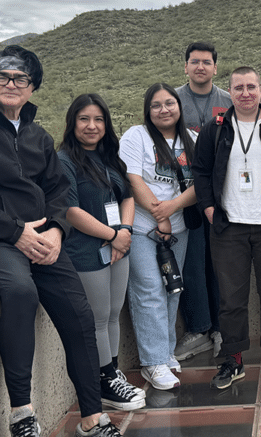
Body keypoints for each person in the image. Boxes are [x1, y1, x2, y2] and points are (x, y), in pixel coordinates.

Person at [0, 45, 138, 437]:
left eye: (19, 78)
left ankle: (92, 425)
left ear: (32, 87)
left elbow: (58, 192)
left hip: (46, 240)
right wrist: (15, 232)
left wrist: (57, 231)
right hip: (6, 241)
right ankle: (23, 416)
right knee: (19, 294)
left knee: (81, 317)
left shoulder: (38, 136)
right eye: (2, 76)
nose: (9, 84)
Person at [192, 66, 261, 389]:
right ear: (230, 92)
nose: (245, 93)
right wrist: (210, 210)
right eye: (238, 87)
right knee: (231, 299)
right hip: (229, 227)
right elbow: (200, 172)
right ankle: (234, 360)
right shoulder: (215, 129)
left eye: (251, 87)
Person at [59, 93, 145, 411]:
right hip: (86, 251)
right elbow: (70, 211)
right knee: (96, 318)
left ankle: (111, 373)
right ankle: (103, 381)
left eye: (98, 119)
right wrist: (113, 235)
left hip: (117, 247)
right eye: (84, 119)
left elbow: (127, 196)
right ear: (73, 122)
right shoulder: (65, 160)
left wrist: (124, 232)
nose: (92, 126)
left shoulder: (110, 155)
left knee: (112, 314)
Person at [120, 83, 198, 390]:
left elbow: (201, 182)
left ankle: (165, 353)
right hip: (141, 227)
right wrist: (158, 216)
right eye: (156, 105)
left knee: (172, 289)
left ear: (179, 106)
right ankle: (152, 362)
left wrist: (172, 210)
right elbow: (132, 179)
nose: (164, 109)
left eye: (169, 103)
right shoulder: (135, 136)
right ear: (147, 110)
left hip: (178, 229)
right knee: (149, 289)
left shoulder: (192, 138)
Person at [174, 42, 232, 361]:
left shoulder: (227, 100)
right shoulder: (173, 100)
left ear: (214, 67)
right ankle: (198, 328)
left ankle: (222, 329)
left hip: (223, 195)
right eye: (194, 62)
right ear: (186, 67)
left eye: (206, 62)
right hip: (185, 195)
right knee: (191, 264)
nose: (200, 67)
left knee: (221, 264)